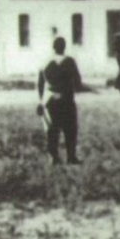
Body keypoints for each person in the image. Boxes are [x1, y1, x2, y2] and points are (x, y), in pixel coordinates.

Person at [37, 37, 82, 165]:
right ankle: (71, 156)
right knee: (70, 129)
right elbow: (78, 82)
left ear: (53, 47)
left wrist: (40, 101)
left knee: (52, 130)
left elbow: (40, 83)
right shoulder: (69, 61)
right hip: (66, 98)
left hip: (50, 100)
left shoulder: (45, 62)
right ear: (64, 47)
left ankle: (53, 157)